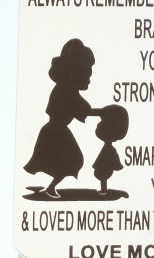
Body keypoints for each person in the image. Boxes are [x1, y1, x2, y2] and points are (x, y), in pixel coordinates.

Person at [24, 38, 104, 198]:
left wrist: (100, 112)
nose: (89, 78)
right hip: (56, 132)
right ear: (76, 72)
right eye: (87, 73)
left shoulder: (66, 90)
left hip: (56, 130)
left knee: (64, 160)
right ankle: (50, 188)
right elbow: (84, 109)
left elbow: (82, 109)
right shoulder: (67, 92)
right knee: (72, 160)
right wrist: (102, 112)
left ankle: (49, 187)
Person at [92, 105, 129, 195]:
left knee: (103, 176)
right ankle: (103, 190)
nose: (98, 125)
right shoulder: (109, 148)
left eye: (103, 122)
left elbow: (112, 157)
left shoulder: (110, 149)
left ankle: (104, 190)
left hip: (105, 168)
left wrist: (116, 164)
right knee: (102, 176)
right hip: (103, 167)